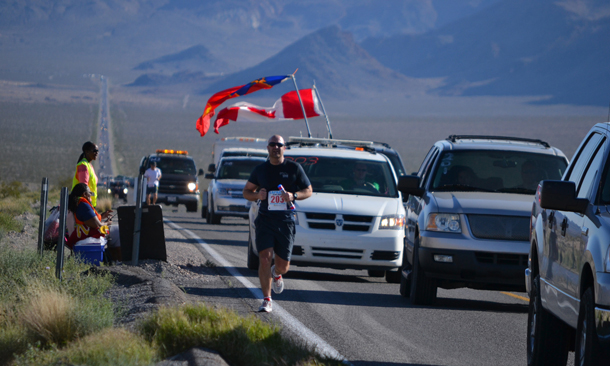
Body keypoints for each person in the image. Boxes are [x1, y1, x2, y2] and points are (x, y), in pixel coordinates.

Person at [243, 135, 313, 312]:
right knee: (264, 259)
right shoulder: (260, 170)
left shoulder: (293, 168)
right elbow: (246, 191)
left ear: (284, 148)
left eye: (279, 145)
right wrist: (258, 195)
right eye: (272, 144)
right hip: (265, 220)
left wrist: (293, 195)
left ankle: (277, 273)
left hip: (286, 221)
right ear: (267, 148)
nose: (276, 147)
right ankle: (267, 299)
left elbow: (308, 190)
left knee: (283, 266)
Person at [66, 183, 113, 250]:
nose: (91, 195)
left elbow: (88, 219)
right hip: (83, 237)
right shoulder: (83, 205)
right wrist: (107, 223)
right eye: (90, 193)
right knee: (114, 233)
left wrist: (102, 216)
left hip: (77, 237)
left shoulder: (78, 203)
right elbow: (97, 225)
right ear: (85, 194)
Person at [72, 141, 99, 207]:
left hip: (89, 204)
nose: (97, 153)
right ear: (87, 151)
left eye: (97, 150)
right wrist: (89, 203)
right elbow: (83, 188)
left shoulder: (89, 166)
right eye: (94, 150)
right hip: (83, 204)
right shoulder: (83, 166)